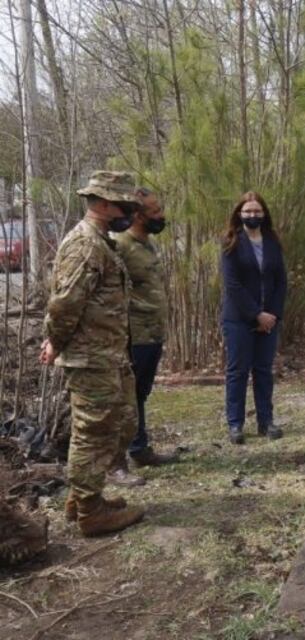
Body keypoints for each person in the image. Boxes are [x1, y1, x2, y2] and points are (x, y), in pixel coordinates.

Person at [41, 170, 146, 536]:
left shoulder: (101, 241)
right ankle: (91, 512)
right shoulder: (85, 244)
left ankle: (82, 498)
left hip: (107, 355)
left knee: (115, 425)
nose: (130, 212)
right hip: (90, 357)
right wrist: (55, 340)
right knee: (92, 432)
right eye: (124, 205)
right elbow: (65, 303)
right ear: (103, 204)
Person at [112, 187, 179, 469]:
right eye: (154, 211)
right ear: (137, 215)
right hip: (134, 334)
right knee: (127, 394)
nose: (161, 216)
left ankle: (139, 449)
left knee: (141, 392)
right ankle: (119, 459)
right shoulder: (120, 246)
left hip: (153, 332)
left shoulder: (147, 243)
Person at [220, 191, 288, 445]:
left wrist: (272, 314)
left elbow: (280, 281)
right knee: (237, 371)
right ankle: (235, 424)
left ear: (264, 213)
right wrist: (255, 314)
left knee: (263, 371)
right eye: (248, 211)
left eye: (257, 211)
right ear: (239, 214)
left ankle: (266, 421)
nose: (252, 215)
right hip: (238, 318)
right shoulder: (231, 242)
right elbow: (232, 285)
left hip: (269, 319)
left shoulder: (272, 241)